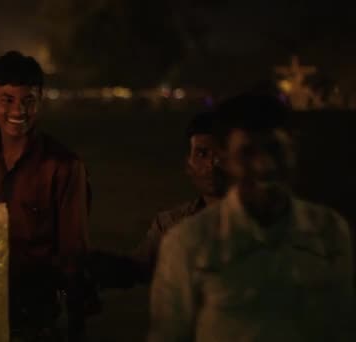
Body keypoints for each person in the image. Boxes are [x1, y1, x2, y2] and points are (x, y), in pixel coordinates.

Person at [149, 94, 354, 341]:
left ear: (293, 152)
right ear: (225, 160)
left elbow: (343, 326)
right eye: (247, 153)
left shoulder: (328, 232)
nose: (264, 165)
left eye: (274, 149)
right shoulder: (189, 242)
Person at [0, 51, 92, 341]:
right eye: (7, 100)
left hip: (38, 315)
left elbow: (74, 250)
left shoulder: (63, 166)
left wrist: (75, 319)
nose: (18, 111)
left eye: (28, 100)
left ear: (40, 100)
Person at [88, 111, 227, 288]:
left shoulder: (262, 220)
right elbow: (137, 268)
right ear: (188, 164)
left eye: (220, 155)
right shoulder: (172, 223)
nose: (211, 164)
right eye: (202, 154)